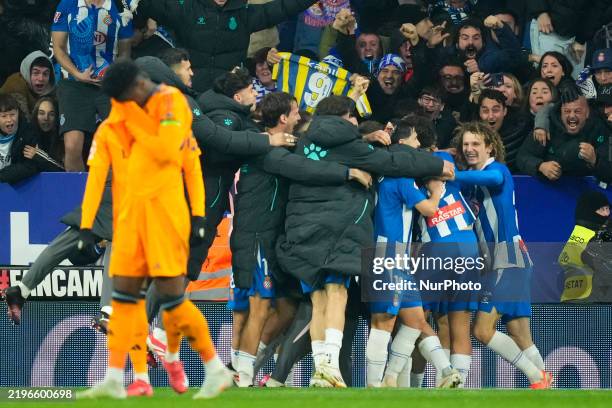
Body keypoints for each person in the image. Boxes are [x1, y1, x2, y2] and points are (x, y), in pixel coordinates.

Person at [76, 60, 231, 399]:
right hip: (130, 220)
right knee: (124, 300)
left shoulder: (174, 108)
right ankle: (132, 377)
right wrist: (86, 226)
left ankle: (213, 367)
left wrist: (199, 216)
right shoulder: (113, 125)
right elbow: (96, 178)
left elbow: (189, 164)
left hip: (167, 218)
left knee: (173, 297)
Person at [276, 95, 454, 387]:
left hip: (300, 229)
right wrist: (434, 164)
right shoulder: (352, 147)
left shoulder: (305, 140)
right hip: (337, 229)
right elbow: (391, 161)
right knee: (337, 293)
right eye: (353, 118)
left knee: (318, 300)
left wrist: (364, 138)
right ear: (344, 117)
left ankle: (322, 369)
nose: (355, 123)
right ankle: (330, 366)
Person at [232, 91, 371, 386]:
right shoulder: (268, 148)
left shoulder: (292, 144)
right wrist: (348, 172)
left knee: (288, 309)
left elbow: (318, 150)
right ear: (284, 117)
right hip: (261, 235)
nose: (299, 116)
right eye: (296, 112)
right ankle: (241, 373)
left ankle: (305, 370)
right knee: (259, 306)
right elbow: (305, 167)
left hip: (287, 236)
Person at [454, 121, 553, 389]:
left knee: (482, 330)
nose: (470, 148)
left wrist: (450, 173)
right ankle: (548, 389)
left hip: (508, 258)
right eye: (466, 144)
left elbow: (493, 180)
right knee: (520, 334)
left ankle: (537, 377)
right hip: (501, 262)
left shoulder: (497, 170)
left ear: (490, 148)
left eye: (476, 144)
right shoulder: (470, 183)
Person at [365, 115, 462, 389]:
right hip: (388, 254)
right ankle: (374, 386)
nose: (418, 145)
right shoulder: (400, 176)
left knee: (416, 320)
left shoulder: (382, 171)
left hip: (395, 256)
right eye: (416, 139)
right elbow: (430, 210)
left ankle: (395, 378)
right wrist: (436, 191)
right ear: (403, 141)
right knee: (383, 322)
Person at [137, 0, 319, 92]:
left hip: (227, 94)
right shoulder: (186, 9)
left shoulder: (245, 15)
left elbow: (284, 7)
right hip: (189, 90)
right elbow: (149, 4)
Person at [1, 180, 110, 325]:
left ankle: (21, 290)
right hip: (123, 188)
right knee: (118, 237)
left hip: (105, 188)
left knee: (73, 236)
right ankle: (107, 311)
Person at [51, 0, 134, 171]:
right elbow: (58, 48)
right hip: (74, 83)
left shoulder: (120, 7)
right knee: (72, 146)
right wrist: (77, 73)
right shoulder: (67, 5)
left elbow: (125, 52)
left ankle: (119, 185)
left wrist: (113, 75)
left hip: (108, 85)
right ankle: (80, 188)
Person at [517, 86, 611, 183]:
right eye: (567, 111)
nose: (572, 115)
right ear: (561, 112)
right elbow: (522, 157)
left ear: (587, 113)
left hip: (591, 189)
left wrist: (595, 160)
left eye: (577, 111)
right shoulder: (546, 127)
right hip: (550, 188)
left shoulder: (602, 128)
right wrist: (541, 166)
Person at [559, 191, 611, 303]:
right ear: (588, 212)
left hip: (572, 302)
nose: (607, 214)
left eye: (608, 209)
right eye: (601, 210)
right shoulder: (592, 239)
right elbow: (607, 271)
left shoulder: (578, 234)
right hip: (590, 305)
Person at [477, 89, 528, 173]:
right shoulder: (471, 136)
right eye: (485, 111)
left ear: (504, 111)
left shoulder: (520, 130)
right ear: (480, 113)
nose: (490, 116)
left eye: (495, 110)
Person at [0, 50, 56, 115]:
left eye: (45, 74)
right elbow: (21, 119)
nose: (41, 79)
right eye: (36, 73)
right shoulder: (16, 86)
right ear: (27, 72)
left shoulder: (51, 89)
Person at [0, 94, 39, 184]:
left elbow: (30, 166)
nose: (9, 119)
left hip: (17, 186)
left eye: (12, 114)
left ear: (18, 113)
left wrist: (1, 176)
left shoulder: (28, 134)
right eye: (4, 116)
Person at [23, 96, 64, 171]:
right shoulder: (27, 138)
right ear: (35, 116)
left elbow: (64, 171)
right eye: (41, 113)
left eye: (51, 114)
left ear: (56, 117)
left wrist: (39, 157)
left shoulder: (62, 140)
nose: (46, 118)